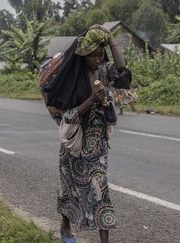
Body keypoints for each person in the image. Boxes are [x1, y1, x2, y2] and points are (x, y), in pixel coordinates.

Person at [40, 25, 130, 243]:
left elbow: (121, 69)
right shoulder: (73, 80)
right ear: (82, 57)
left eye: (100, 56)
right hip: (75, 145)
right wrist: (91, 100)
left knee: (99, 190)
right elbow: (68, 117)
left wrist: (110, 40)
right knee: (69, 189)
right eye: (92, 57)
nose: (98, 60)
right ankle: (66, 225)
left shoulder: (104, 72)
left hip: (97, 145)